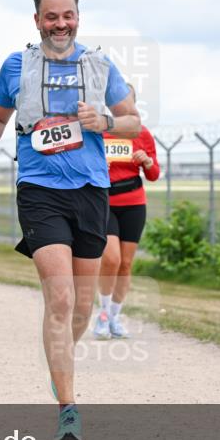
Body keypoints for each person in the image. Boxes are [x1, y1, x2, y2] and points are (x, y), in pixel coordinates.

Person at [0, 0, 141, 440]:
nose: (60, 24)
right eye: (51, 16)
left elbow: (133, 120)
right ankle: (68, 409)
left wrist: (103, 121)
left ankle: (59, 362)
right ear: (37, 20)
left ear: (78, 18)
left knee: (82, 305)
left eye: (68, 16)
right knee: (60, 300)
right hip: (39, 188)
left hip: (90, 189)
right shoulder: (17, 64)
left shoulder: (101, 64)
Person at [93, 85, 160, 338]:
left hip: (133, 202)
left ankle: (115, 317)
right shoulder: (100, 132)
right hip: (105, 202)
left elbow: (153, 175)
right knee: (111, 259)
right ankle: (101, 314)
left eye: (125, 100)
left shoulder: (141, 134)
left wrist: (147, 161)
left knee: (126, 264)